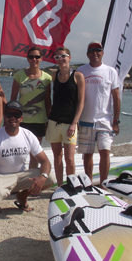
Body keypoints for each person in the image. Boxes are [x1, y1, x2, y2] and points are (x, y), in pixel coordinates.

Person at [0, 101, 55, 213]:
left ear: (21, 118)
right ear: (4, 117)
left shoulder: (28, 135)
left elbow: (45, 162)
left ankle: (22, 196)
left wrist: (42, 177)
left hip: (22, 176)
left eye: (16, 115)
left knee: (50, 177)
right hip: (0, 177)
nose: (12, 118)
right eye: (9, 115)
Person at [76, 41, 120, 185]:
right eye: (92, 50)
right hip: (85, 120)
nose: (95, 53)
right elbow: (74, 96)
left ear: (102, 53)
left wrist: (116, 121)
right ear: (87, 54)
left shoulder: (110, 71)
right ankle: (88, 183)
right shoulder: (81, 71)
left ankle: (103, 183)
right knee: (87, 155)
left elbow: (116, 97)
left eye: (98, 50)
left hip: (104, 121)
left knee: (105, 152)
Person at [45, 47, 85, 187]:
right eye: (57, 57)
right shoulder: (54, 76)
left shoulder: (78, 76)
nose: (60, 59)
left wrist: (75, 122)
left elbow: (81, 101)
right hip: (54, 121)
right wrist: (48, 116)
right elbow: (54, 98)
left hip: (70, 123)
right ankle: (60, 186)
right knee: (57, 157)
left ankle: (71, 185)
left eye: (63, 56)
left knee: (69, 158)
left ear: (69, 57)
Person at [10, 47, 52, 169]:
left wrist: (49, 120)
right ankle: (17, 177)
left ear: (41, 58)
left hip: (39, 121)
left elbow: (48, 101)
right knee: (18, 152)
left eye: (37, 57)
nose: (34, 59)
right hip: (21, 121)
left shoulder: (47, 78)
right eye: (31, 57)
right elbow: (13, 100)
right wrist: (10, 118)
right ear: (27, 58)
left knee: (35, 153)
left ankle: (31, 179)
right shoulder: (19, 76)